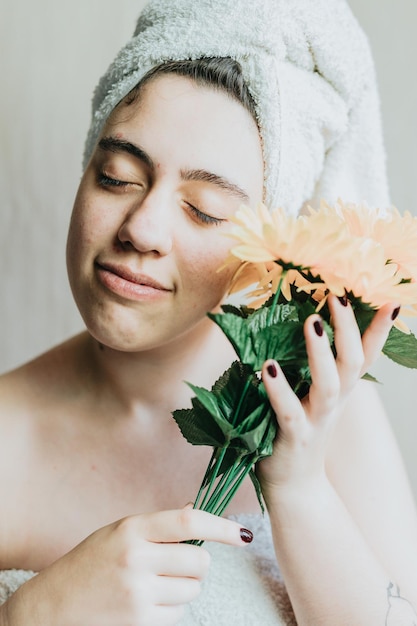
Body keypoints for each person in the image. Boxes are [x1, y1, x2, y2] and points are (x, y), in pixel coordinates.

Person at [0, 0, 417, 624]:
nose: (142, 229)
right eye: (117, 177)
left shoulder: (321, 409)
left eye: (205, 209)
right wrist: (32, 614)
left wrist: (298, 487)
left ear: (267, 249)